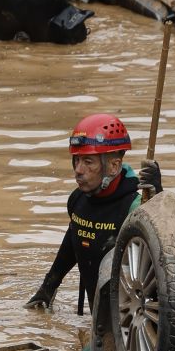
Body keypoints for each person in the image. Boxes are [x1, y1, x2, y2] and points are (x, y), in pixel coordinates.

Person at [26, 115, 161, 316]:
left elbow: (163, 253)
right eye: (77, 160)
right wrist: (48, 288)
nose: (79, 171)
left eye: (88, 162)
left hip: (130, 319)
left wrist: (158, 199)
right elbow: (75, 238)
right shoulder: (77, 200)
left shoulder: (136, 207)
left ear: (114, 166)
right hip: (97, 319)